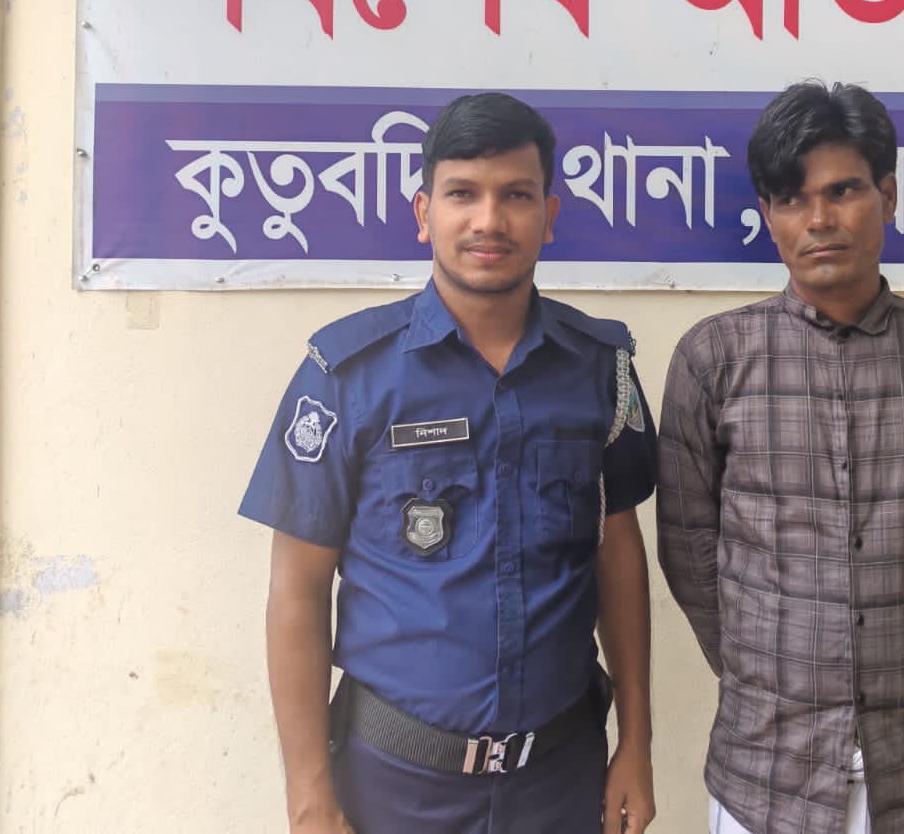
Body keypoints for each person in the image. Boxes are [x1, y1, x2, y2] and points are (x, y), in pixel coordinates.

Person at [239, 92, 658, 834]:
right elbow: (297, 589)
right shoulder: (347, 375)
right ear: (424, 212)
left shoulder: (603, 369)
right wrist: (308, 796)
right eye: (463, 193)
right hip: (393, 786)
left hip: (562, 780)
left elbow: (617, 552)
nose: (489, 220)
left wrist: (638, 742)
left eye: (516, 196)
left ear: (549, 216)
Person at [657, 81, 904, 834]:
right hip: (764, 776)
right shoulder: (713, 359)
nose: (818, 220)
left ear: (888, 195)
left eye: (843, 191)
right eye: (791, 199)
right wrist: (770, 666)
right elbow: (689, 551)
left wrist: (900, 649)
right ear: (768, 216)